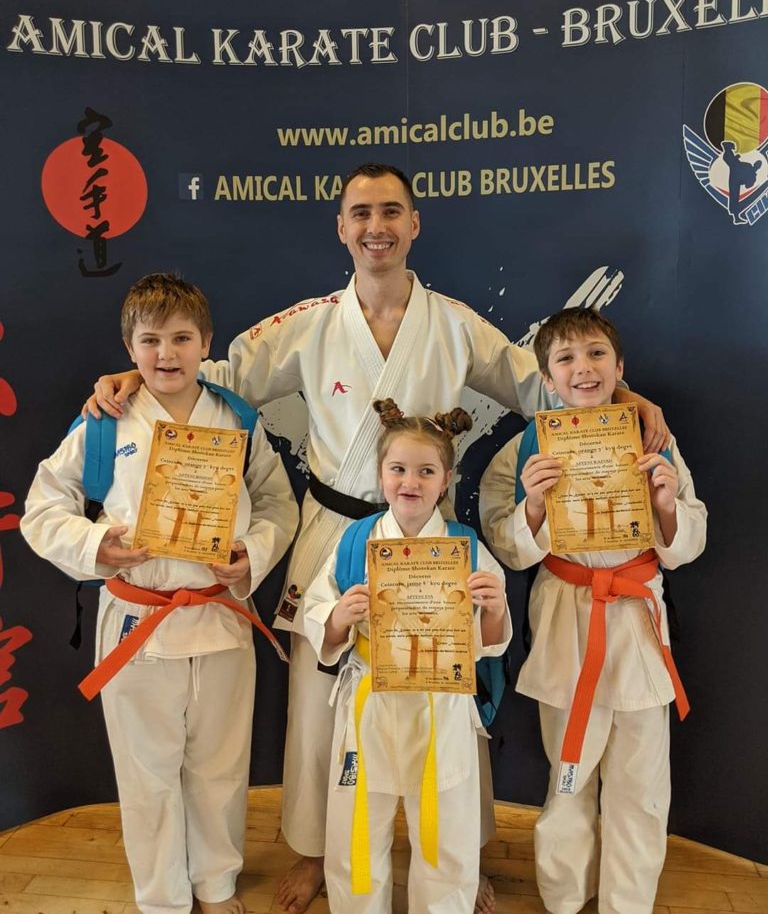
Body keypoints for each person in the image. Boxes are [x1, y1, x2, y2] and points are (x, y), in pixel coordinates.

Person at [86, 164, 669, 914]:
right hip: (334, 528)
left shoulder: (454, 323)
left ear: (414, 223)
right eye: (360, 213)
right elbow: (215, 375)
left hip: (431, 535)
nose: (376, 226)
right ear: (341, 227)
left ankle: (460, 854)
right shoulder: (310, 322)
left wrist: (627, 395)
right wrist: (134, 377)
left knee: (447, 690)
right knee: (318, 697)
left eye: (391, 211)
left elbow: (544, 384)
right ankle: (315, 851)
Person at [22, 273, 299, 914]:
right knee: (146, 771)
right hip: (137, 617)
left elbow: (278, 504)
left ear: (206, 343)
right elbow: (43, 507)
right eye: (150, 341)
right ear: (129, 348)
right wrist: (98, 545)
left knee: (220, 764)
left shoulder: (236, 418)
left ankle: (216, 883)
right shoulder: (104, 423)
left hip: (220, 612)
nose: (166, 353)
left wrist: (250, 554)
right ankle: (162, 898)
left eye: (181, 338)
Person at [479, 307, 706, 914]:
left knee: (641, 784)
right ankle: (563, 898)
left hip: (635, 618)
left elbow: (690, 539)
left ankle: (627, 904)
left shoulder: (653, 439)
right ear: (547, 378)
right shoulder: (527, 446)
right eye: (566, 358)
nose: (583, 368)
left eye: (596, 353)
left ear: (619, 366)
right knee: (569, 772)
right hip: (566, 619)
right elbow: (506, 543)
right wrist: (532, 506)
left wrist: (665, 504)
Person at [303, 399, 512, 913]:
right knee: (356, 825)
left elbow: (490, 641)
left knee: (446, 828)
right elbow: (319, 612)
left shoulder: (465, 546)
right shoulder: (355, 540)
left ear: (446, 480)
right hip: (370, 698)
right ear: (381, 475)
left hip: (441, 703)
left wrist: (494, 605)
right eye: (397, 469)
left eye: (425, 471)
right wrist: (339, 615)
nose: (410, 482)